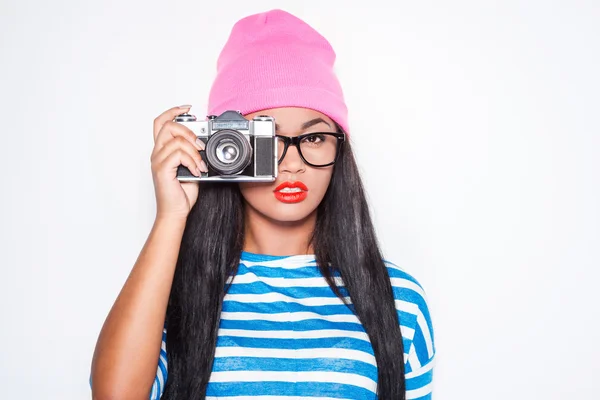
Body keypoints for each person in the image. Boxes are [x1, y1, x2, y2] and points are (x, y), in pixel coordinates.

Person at [90, 9, 435, 400]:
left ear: (340, 150)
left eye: (314, 138)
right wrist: (171, 216)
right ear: (224, 148)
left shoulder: (397, 299)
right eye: (267, 140)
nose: (292, 163)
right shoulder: (170, 292)